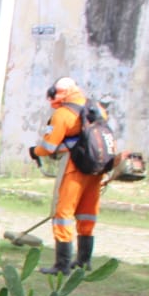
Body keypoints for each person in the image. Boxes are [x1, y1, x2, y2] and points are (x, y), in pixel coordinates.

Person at [28, 76, 102, 276]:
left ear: (60, 92)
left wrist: (35, 151)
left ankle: (62, 265)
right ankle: (84, 261)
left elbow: (49, 147)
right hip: (96, 169)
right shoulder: (96, 108)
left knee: (63, 215)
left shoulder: (63, 114)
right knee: (87, 213)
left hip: (74, 168)